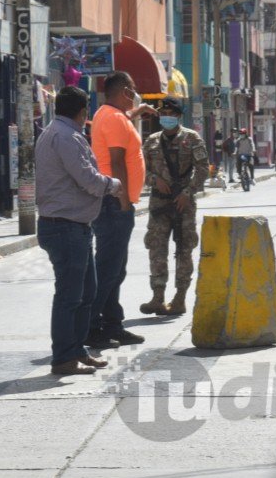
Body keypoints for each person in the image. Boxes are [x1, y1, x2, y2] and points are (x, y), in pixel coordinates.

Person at [35, 85, 123, 375]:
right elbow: (87, 179)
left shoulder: (54, 132)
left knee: (86, 292)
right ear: (83, 111)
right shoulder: (67, 137)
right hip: (65, 227)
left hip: (72, 226)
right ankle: (63, 358)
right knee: (70, 296)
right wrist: (113, 185)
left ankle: (76, 349)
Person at [88, 71, 156, 348]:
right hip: (114, 202)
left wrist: (136, 112)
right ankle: (91, 327)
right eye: (134, 90)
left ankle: (113, 323)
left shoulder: (109, 114)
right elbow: (116, 162)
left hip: (112, 200)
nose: (136, 93)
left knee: (115, 269)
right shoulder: (115, 118)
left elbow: (121, 129)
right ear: (126, 90)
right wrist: (124, 198)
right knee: (108, 269)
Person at [139, 98, 210, 316]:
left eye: (170, 113)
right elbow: (142, 169)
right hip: (159, 202)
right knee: (156, 249)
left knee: (184, 249)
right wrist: (154, 180)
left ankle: (180, 298)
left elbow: (203, 169)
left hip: (183, 204)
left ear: (178, 116)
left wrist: (187, 193)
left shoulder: (191, 138)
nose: (165, 116)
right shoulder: (151, 141)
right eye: (163, 113)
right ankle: (157, 297)